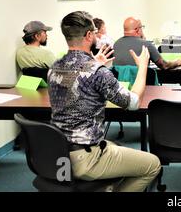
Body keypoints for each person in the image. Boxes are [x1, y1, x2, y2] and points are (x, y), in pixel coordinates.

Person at [48, 11, 161, 192]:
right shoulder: (97, 72)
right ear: (89, 35)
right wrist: (142, 68)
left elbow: (74, 85)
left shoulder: (54, 67)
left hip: (57, 153)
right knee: (153, 164)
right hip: (86, 158)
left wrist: (95, 63)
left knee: (118, 147)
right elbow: (134, 103)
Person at [113, 17, 181, 69]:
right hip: (143, 86)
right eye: (141, 27)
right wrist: (176, 62)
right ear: (137, 29)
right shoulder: (146, 45)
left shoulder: (116, 45)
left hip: (122, 86)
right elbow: (164, 65)